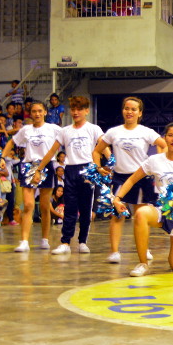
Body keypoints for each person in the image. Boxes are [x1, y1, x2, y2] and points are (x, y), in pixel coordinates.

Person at [113, 123, 173, 277]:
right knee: (141, 214)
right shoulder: (154, 160)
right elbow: (132, 179)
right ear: (165, 138)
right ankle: (142, 263)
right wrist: (117, 198)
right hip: (162, 208)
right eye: (170, 135)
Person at [93, 96, 166, 263]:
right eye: (127, 108)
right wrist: (99, 167)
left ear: (140, 113)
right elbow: (96, 151)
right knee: (117, 214)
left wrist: (159, 161)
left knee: (140, 216)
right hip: (120, 177)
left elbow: (165, 144)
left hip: (141, 177)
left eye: (134, 109)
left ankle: (144, 249)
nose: (129, 112)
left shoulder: (146, 131)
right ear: (122, 110)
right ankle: (114, 251)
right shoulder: (113, 132)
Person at [34, 96, 104, 255]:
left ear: (87, 110)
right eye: (73, 109)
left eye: (79, 109)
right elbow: (52, 151)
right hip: (70, 170)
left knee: (86, 208)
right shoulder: (65, 131)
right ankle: (65, 242)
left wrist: (110, 163)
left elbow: (103, 147)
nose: (76, 112)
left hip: (88, 170)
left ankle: (82, 241)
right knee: (70, 208)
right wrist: (39, 168)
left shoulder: (93, 129)